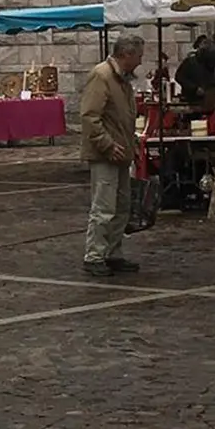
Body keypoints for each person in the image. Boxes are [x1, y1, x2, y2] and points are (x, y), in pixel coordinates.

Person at [80, 32, 144, 276]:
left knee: (121, 206)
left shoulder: (121, 79)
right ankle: (94, 255)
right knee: (104, 206)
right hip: (106, 154)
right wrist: (107, 144)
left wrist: (131, 146)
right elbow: (90, 116)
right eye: (138, 56)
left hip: (120, 152)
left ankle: (113, 252)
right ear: (127, 55)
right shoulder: (102, 76)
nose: (140, 61)